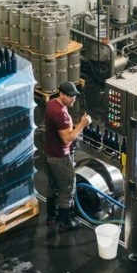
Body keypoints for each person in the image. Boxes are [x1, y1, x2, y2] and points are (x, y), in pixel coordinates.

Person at [44, 81, 92, 231]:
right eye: (70, 96)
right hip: (60, 157)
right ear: (62, 94)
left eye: (75, 96)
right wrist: (82, 124)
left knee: (52, 185)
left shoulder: (52, 104)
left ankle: (51, 217)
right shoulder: (62, 115)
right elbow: (67, 138)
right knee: (67, 188)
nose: (73, 99)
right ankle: (65, 223)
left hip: (49, 153)